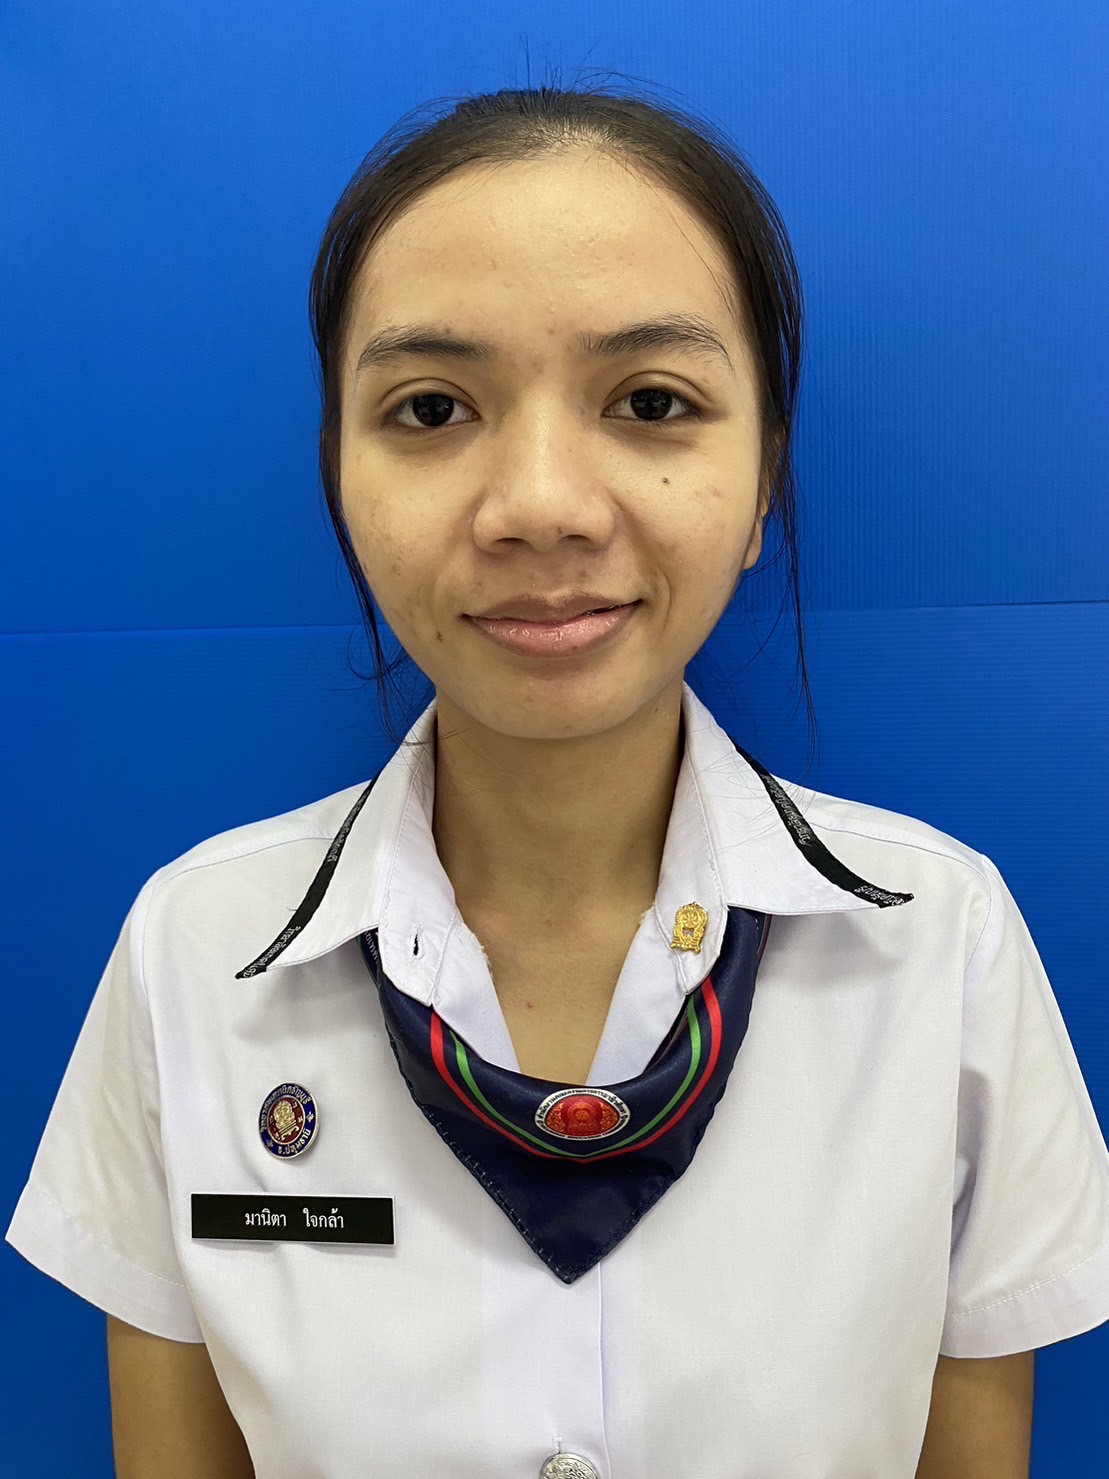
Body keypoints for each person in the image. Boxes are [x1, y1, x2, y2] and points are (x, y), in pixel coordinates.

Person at [7, 83, 1109, 1479]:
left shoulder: (940, 945)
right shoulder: (194, 955)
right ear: (337, 477)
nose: (540, 505)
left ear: (763, 477)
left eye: (650, 402)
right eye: (430, 408)